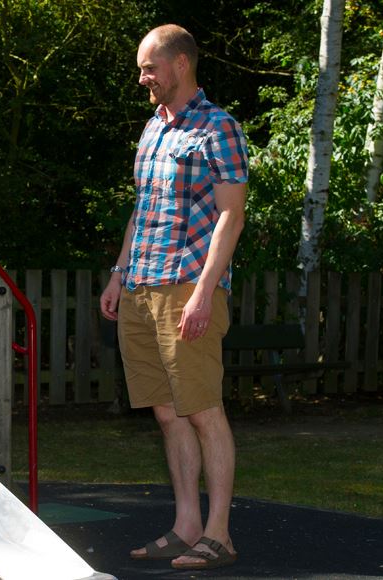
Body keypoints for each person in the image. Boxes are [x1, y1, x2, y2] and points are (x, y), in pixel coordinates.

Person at [99, 24, 248, 570]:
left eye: (149, 67)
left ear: (181, 63)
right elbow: (142, 211)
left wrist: (206, 292)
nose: (143, 78)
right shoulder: (152, 128)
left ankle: (219, 533)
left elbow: (232, 214)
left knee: (204, 409)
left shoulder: (218, 127)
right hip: (141, 286)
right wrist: (119, 273)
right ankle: (186, 525)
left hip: (188, 287)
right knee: (168, 413)